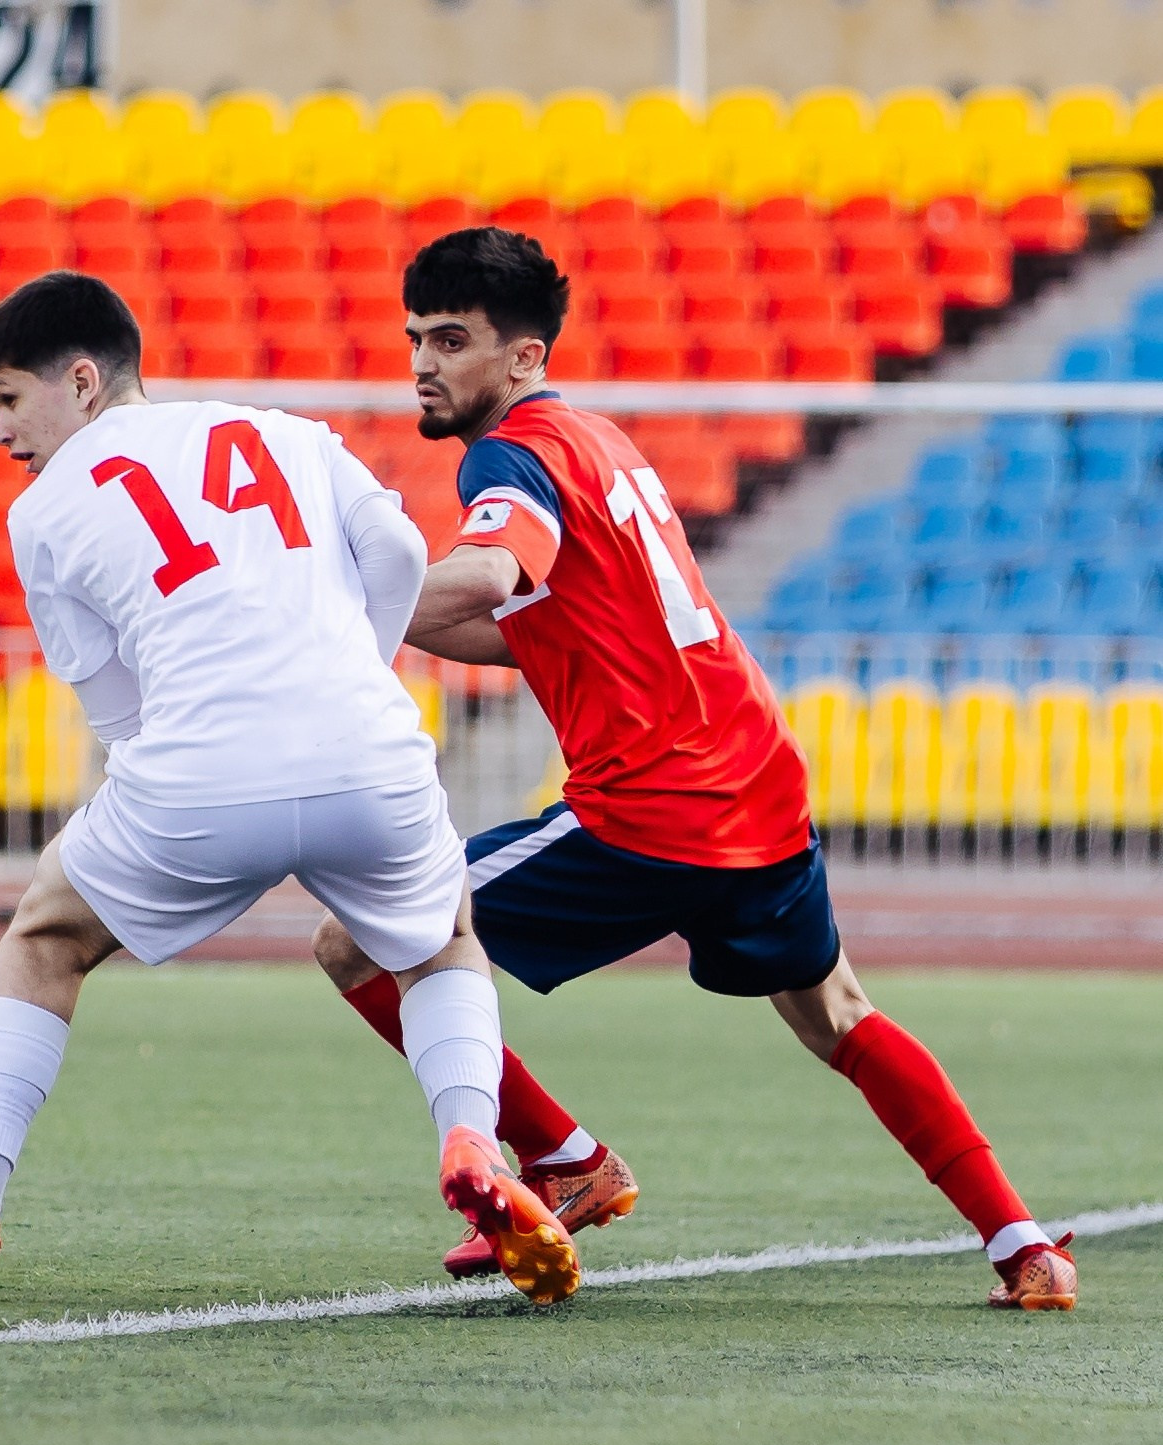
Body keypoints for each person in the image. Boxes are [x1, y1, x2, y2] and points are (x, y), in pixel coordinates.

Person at [311, 227, 1075, 1310]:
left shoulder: (508, 455)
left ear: (522, 358)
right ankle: (1022, 1245)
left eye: (450, 340)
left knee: (355, 941)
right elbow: (535, 621)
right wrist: (403, 622)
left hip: (651, 809)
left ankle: (566, 1159)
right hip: (757, 786)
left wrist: (317, 604)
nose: (422, 363)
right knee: (836, 1015)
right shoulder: (596, 439)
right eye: (412, 339)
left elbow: (486, 572)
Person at [0, 271, 581, 1307]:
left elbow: (115, 715)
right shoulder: (291, 434)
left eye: (8, 400)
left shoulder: (43, 510)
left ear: (80, 381)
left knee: (43, 941)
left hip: (200, 767)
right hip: (366, 749)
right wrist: (342, 679)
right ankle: (474, 1138)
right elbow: (390, 557)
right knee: (439, 945)